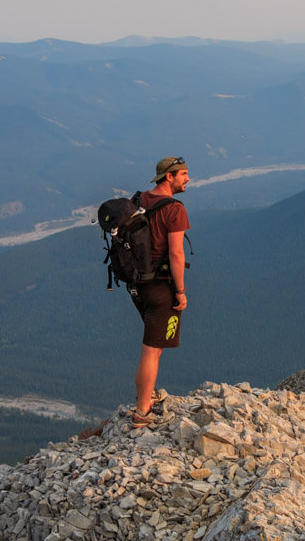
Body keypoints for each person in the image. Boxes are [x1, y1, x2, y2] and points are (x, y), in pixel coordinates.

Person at [129, 156, 191, 430]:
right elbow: (176, 253)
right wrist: (180, 291)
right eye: (184, 174)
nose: (188, 179)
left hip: (137, 284)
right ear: (170, 177)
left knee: (153, 346)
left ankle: (145, 395)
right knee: (151, 350)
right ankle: (142, 412)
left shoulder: (139, 199)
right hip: (161, 286)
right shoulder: (175, 209)